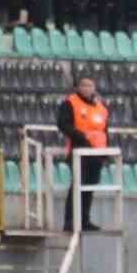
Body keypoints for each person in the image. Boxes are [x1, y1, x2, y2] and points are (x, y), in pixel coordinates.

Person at [54, 74, 108, 232]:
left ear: (94, 88)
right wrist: (81, 138)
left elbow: (104, 130)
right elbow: (63, 124)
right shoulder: (70, 103)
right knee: (78, 184)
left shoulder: (101, 108)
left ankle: (85, 219)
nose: (87, 88)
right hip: (79, 151)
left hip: (96, 154)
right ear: (78, 87)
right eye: (83, 85)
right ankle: (70, 221)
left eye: (90, 85)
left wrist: (105, 151)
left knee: (90, 186)